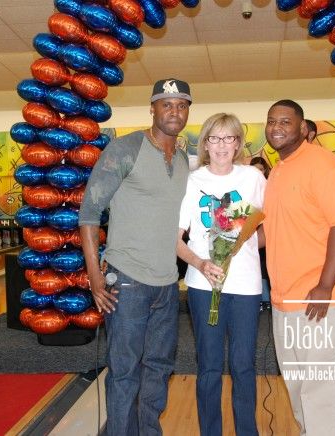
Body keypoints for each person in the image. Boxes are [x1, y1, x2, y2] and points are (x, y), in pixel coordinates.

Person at [79, 78, 192, 436]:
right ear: (152, 109)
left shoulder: (184, 160)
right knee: (125, 371)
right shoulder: (125, 149)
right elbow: (89, 212)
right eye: (166, 104)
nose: (174, 111)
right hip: (127, 282)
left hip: (167, 284)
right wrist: (95, 277)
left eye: (181, 105)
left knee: (159, 368)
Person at [263, 100, 335, 436]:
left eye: (285, 121)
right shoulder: (278, 171)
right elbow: (273, 231)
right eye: (271, 121)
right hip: (287, 299)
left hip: (325, 298)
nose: (277, 128)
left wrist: (326, 285)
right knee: (298, 386)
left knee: (324, 391)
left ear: (303, 128)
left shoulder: (324, 165)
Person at [177, 113, 266, 436]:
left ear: (238, 143)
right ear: (205, 144)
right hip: (203, 285)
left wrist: (239, 250)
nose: (222, 145)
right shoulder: (192, 181)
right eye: (214, 138)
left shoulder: (253, 178)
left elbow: (267, 227)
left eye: (229, 138)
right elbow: (175, 238)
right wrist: (202, 263)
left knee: (243, 365)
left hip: (245, 285)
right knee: (209, 366)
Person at [249, 156, 271, 309]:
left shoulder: (270, 187)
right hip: (252, 231)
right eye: (255, 169)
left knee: (265, 265)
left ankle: (267, 298)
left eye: (261, 169)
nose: (258, 172)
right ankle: (260, 299)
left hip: (267, 231)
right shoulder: (246, 187)